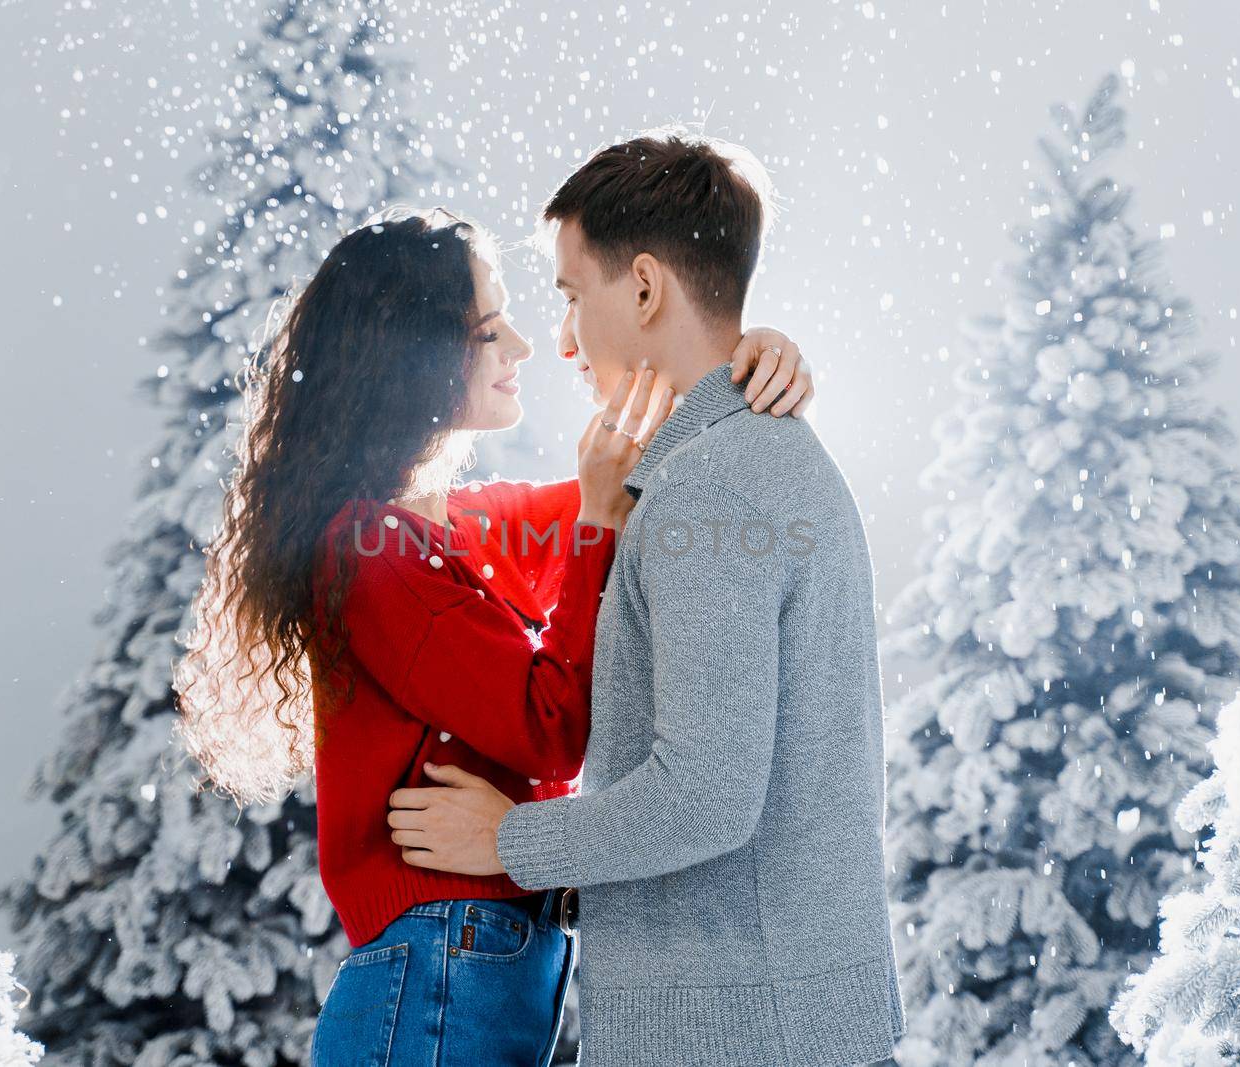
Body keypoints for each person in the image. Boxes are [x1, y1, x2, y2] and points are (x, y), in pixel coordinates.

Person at [174, 203, 813, 1067]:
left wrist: (745, 359)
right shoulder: (373, 552)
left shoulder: (451, 528)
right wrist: (596, 518)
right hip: (441, 978)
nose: (520, 347)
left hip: (472, 972)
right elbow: (548, 727)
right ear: (415, 357)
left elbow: (644, 475)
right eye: (488, 328)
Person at [388, 131, 908, 1066]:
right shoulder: (762, 458)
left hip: (735, 1034)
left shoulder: (710, 490)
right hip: (781, 1019)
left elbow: (706, 795)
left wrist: (510, 840)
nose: (560, 338)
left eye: (570, 294)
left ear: (642, 287)